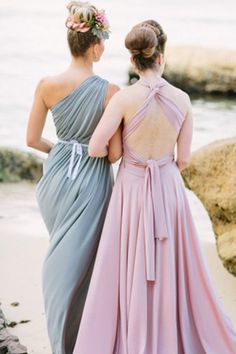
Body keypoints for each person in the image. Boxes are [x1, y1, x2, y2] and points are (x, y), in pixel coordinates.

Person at [73, 20, 236, 354]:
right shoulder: (184, 99)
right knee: (171, 264)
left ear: (134, 61)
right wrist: (162, 171)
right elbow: (185, 159)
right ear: (161, 57)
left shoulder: (123, 99)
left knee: (127, 266)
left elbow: (95, 147)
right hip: (167, 188)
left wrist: (122, 150)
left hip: (132, 189)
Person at [26, 2, 120, 353]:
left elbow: (32, 140)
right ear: (95, 46)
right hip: (92, 181)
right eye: (104, 42)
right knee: (85, 262)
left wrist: (63, 150)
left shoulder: (46, 85)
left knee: (61, 254)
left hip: (56, 180)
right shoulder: (111, 92)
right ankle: (80, 340)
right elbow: (113, 153)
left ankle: (63, 339)